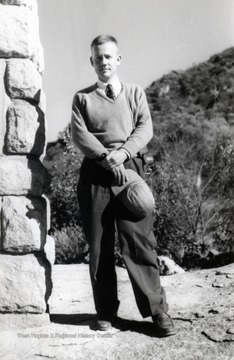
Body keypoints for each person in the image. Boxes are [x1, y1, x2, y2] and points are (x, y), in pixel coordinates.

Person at [71, 34, 175, 336]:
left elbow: (145, 127)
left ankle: (158, 312)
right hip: (96, 173)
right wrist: (106, 156)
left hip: (131, 171)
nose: (103, 61)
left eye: (108, 56)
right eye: (98, 57)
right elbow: (80, 134)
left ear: (118, 60)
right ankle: (105, 312)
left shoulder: (134, 93)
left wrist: (123, 153)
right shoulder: (82, 98)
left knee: (140, 242)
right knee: (99, 246)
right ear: (92, 62)